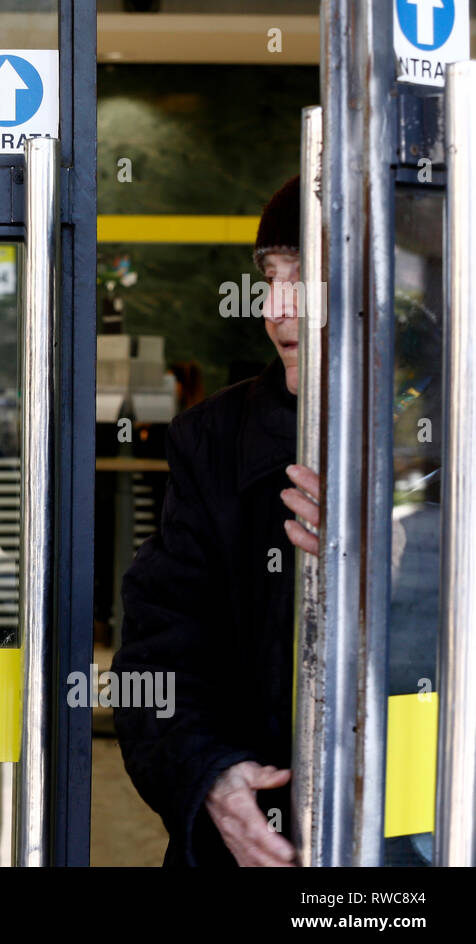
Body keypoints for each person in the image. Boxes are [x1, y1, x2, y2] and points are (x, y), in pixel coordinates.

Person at [113, 175, 320, 867]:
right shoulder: (215, 440)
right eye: (270, 276)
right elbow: (159, 655)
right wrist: (211, 776)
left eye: (309, 271)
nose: (277, 310)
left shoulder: (449, 445)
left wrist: (403, 552)